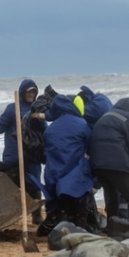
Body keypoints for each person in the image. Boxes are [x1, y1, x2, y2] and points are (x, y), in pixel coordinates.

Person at [0, 79, 45, 224]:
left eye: (33, 92)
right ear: (22, 92)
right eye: (29, 92)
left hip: (32, 156)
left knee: (34, 185)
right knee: (10, 185)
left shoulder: (37, 110)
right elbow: (0, 126)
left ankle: (36, 215)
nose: (31, 94)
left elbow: (44, 131)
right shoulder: (12, 109)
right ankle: (7, 215)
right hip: (13, 155)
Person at [87, 97, 129, 226]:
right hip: (116, 163)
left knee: (112, 196)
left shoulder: (105, 117)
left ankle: (112, 226)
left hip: (98, 164)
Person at [40, 93, 95, 231]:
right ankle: (79, 225)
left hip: (54, 175)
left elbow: (45, 152)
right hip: (75, 175)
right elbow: (91, 147)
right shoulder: (82, 125)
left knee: (62, 209)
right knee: (79, 202)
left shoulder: (51, 128)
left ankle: (61, 223)